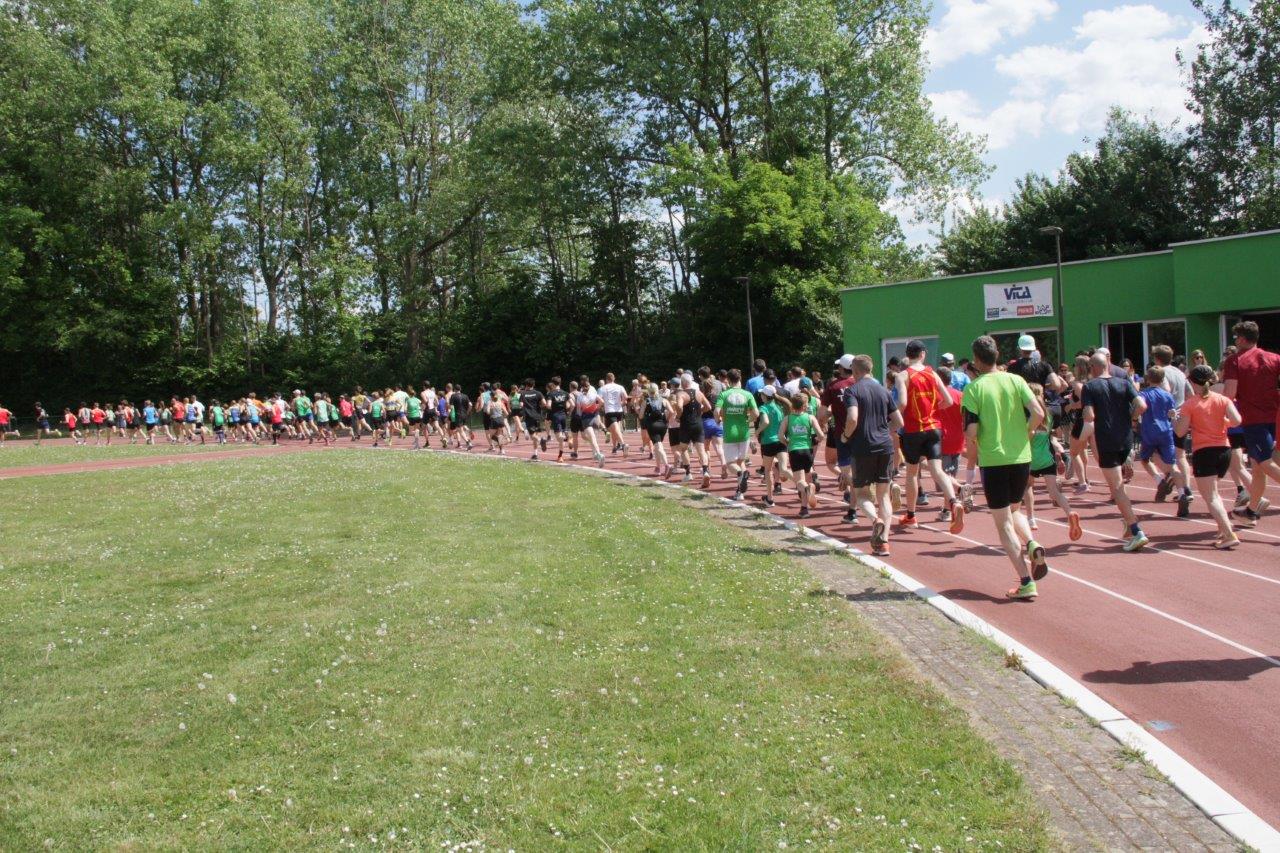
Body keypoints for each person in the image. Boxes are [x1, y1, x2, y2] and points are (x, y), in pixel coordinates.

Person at [962, 335, 1049, 600]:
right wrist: (1026, 432)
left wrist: (975, 441)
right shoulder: (1016, 380)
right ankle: (1031, 543)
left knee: (1003, 525)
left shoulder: (973, 389)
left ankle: (1026, 581)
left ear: (976, 360)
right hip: (1021, 457)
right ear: (997, 354)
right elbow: (1039, 413)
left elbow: (971, 430)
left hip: (994, 460)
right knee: (1015, 509)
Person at [1080, 352, 1149, 551]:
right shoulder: (1124, 382)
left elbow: (1089, 416)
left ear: (1093, 367)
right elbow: (1142, 405)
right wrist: (1132, 418)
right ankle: (1128, 522)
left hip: (1106, 440)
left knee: (1116, 488)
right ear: (1107, 365)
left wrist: (1085, 412)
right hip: (1126, 438)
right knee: (1119, 485)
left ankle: (1136, 530)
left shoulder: (1089, 387)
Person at [893, 340, 964, 533]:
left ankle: (911, 516)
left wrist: (893, 419)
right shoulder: (933, 373)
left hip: (913, 430)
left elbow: (902, 403)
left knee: (912, 473)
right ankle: (953, 502)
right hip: (934, 428)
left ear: (907, 355)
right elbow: (948, 400)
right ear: (923, 354)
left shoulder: (903, 375)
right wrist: (933, 409)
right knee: (937, 470)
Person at [1176, 364, 1243, 549]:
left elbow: (1180, 432)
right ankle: (1223, 529)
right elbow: (1237, 420)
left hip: (1205, 452)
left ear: (1192, 383)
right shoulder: (1222, 399)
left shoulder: (1190, 404)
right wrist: (1223, 422)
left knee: (1211, 496)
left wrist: (1175, 419)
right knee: (1214, 493)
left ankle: (1229, 533)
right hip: (1224, 451)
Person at [1222, 320, 1280, 526]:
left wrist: (1221, 415)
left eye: (1235, 337)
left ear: (1241, 339)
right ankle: (1252, 510)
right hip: (1275, 416)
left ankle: (1252, 510)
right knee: (1257, 468)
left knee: (1265, 463)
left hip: (1254, 420)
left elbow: (1229, 394)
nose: (1235, 341)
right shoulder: (1274, 358)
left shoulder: (1234, 361)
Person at [843, 355, 902, 557]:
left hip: (862, 447)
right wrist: (884, 431)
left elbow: (852, 418)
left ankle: (875, 520)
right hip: (885, 446)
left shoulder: (852, 391)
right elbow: (899, 422)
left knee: (861, 494)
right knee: (883, 495)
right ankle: (884, 542)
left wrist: (845, 436)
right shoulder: (884, 391)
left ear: (855, 371)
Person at [1023, 384, 1083, 541]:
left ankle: (1031, 518)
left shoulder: (1028, 417)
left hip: (1030, 460)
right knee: (1054, 492)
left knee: (1028, 486)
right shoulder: (1048, 416)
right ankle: (1069, 512)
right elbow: (1057, 433)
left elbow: (1027, 437)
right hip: (1047, 459)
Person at [1137, 365, 1190, 517]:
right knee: (1173, 465)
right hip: (1166, 431)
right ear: (1162, 379)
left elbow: (1140, 407)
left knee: (1145, 459)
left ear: (1148, 378)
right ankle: (1182, 493)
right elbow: (1171, 413)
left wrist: (1135, 419)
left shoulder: (1144, 394)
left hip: (1149, 431)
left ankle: (1159, 480)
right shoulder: (1168, 395)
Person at [819, 355, 859, 523]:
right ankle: (854, 508)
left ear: (841, 369)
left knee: (847, 473)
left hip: (843, 434)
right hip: (864, 434)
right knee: (863, 470)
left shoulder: (834, 386)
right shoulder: (863, 383)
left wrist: (826, 418)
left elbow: (821, 413)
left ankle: (853, 511)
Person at [714, 369, 759, 501]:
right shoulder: (747, 394)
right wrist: (748, 420)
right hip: (744, 433)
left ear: (728, 380)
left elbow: (716, 411)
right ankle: (740, 492)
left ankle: (740, 474)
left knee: (730, 464)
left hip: (730, 433)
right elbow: (756, 414)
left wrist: (718, 420)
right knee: (741, 461)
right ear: (740, 379)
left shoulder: (724, 394)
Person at [779, 392, 825, 519]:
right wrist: (815, 440)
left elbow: (780, 436)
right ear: (804, 406)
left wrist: (787, 442)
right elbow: (821, 435)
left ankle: (807, 490)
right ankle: (804, 509)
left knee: (800, 482)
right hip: (808, 451)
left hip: (795, 451)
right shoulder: (810, 418)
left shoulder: (787, 419)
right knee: (807, 479)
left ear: (792, 405)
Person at [755, 385, 788, 508]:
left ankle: (770, 499)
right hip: (781, 440)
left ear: (765, 396)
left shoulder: (763, 407)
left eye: (761, 394)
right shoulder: (780, 407)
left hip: (768, 441)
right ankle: (802, 485)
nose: (760, 396)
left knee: (767, 470)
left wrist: (758, 431)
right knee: (784, 469)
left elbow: (765, 422)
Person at [641, 382, 673, 476]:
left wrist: (640, 411)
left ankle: (667, 465)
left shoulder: (646, 401)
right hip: (663, 425)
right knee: (657, 446)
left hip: (652, 426)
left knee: (658, 446)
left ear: (648, 391)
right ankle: (658, 467)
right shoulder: (664, 400)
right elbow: (671, 411)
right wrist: (666, 419)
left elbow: (641, 416)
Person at [598, 372, 629, 455]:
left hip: (610, 411)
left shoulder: (603, 388)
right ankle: (614, 447)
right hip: (619, 410)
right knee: (614, 429)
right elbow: (626, 397)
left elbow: (599, 399)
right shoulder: (620, 387)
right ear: (614, 378)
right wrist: (621, 403)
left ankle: (623, 444)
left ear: (606, 379)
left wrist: (600, 406)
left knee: (614, 429)